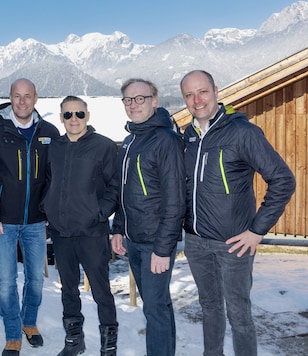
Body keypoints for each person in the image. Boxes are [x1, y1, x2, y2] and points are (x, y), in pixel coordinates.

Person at [179, 70, 296, 356]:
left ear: (216, 91)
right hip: (195, 241)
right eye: (189, 95)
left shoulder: (243, 132)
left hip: (234, 244)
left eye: (203, 91)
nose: (197, 100)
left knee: (239, 314)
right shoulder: (189, 136)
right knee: (209, 307)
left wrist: (257, 230)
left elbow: (283, 179)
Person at [0, 78, 60, 355]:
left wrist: (49, 210)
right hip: (2, 220)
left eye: (28, 96)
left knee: (36, 279)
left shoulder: (48, 131)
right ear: (10, 98)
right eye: (17, 96)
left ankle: (29, 322)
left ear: (36, 98)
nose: (22, 101)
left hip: (36, 221)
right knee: (6, 281)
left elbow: (54, 177)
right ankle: (13, 332)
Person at [110, 78, 185, 356]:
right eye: (128, 99)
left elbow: (175, 199)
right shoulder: (130, 140)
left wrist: (163, 248)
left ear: (155, 100)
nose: (133, 105)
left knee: (154, 308)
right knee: (157, 306)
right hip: (134, 240)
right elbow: (123, 190)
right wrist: (119, 229)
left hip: (155, 243)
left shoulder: (166, 140)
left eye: (140, 98)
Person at [42, 96, 119, 356]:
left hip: (92, 232)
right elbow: (48, 181)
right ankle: (74, 339)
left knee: (101, 290)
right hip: (61, 233)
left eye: (78, 114)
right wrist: (47, 207)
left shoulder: (104, 146)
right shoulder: (54, 147)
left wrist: (100, 213)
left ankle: (109, 342)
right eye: (67, 115)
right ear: (61, 117)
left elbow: (115, 186)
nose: (73, 119)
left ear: (87, 115)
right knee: (68, 289)